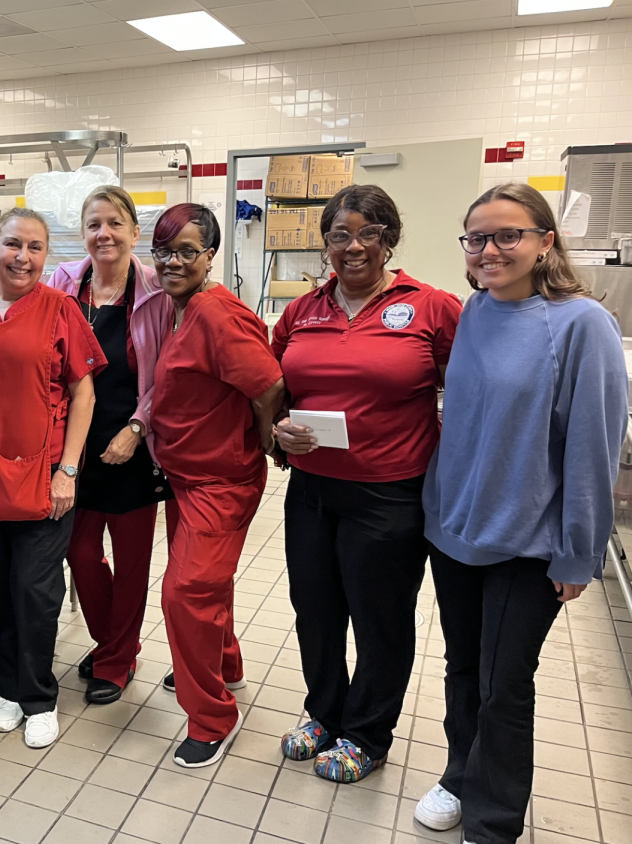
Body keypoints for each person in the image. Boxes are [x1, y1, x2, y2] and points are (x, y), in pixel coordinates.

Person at [417, 183, 627, 844]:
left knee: (504, 683)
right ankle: (458, 775)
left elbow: (593, 447)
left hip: (526, 543)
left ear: (545, 241)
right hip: (455, 533)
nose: (489, 251)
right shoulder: (476, 311)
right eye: (476, 238)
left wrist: (578, 552)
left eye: (508, 235)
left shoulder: (580, 324)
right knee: (460, 668)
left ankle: (495, 822)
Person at [271, 184, 462, 783]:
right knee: (315, 611)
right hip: (311, 492)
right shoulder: (304, 311)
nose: (352, 247)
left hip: (389, 495)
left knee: (380, 618)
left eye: (367, 234)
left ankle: (368, 733)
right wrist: (278, 430)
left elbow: (470, 391)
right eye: (339, 235)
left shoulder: (431, 306)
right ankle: (323, 714)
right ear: (325, 243)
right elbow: (274, 387)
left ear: (389, 239)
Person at [0, 207, 104, 749]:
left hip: (46, 477)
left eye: (36, 247)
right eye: (14, 244)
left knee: (36, 589)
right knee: (1, 587)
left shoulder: (61, 308)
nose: (24, 257)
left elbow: (84, 392)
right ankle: (11, 691)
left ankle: (39, 697)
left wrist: (69, 469)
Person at [150, 203, 285, 768]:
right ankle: (223, 663)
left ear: (210, 255)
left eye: (187, 251)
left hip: (220, 480)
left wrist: (263, 441)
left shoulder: (215, 314)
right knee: (211, 588)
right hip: (186, 473)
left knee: (184, 593)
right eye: (164, 251)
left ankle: (211, 716)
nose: (174, 261)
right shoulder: (177, 308)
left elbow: (268, 384)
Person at [47, 185, 174, 705]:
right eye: (95, 224)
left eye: (116, 223)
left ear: (134, 233)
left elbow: (166, 374)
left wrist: (139, 428)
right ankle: (112, 641)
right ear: (83, 234)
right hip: (73, 450)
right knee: (79, 554)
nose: (105, 233)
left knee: (132, 561)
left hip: (132, 448)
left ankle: (118, 658)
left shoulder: (155, 292)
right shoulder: (62, 286)